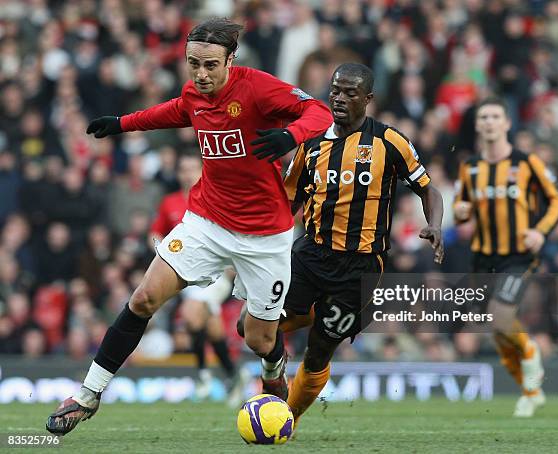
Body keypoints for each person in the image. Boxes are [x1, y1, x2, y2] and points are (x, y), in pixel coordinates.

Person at [46, 17, 332, 435]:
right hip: (207, 221)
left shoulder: (258, 87)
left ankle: (272, 367)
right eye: (193, 63)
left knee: (259, 340)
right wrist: (122, 123)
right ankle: (87, 395)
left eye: (211, 65)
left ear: (231, 60)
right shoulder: (194, 92)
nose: (201, 74)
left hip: (265, 235)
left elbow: (320, 112)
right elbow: (177, 111)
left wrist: (291, 136)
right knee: (143, 298)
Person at [238, 63, 445, 426]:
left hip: (360, 267)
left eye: (350, 93)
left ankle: (287, 419)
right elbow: (287, 201)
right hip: (309, 256)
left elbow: (428, 188)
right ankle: (300, 327)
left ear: (368, 99)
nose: (339, 98)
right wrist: (253, 242)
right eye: (335, 90)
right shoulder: (311, 142)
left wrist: (435, 226)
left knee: (319, 351)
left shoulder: (389, 141)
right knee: (249, 328)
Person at [453, 97, 558, 417]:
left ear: (506, 123)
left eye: (495, 116)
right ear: (477, 125)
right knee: (496, 327)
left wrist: (540, 231)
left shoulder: (527, 162)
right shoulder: (470, 167)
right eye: (483, 116)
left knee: (501, 317)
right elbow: (462, 211)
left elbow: (557, 199)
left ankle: (530, 353)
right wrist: (460, 213)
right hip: (483, 257)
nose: (489, 121)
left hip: (518, 254)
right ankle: (531, 391)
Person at [148, 154, 248, 406]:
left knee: (191, 313)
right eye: (182, 168)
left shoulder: (215, 196)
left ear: (203, 170)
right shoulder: (169, 202)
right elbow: (156, 232)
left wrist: (232, 263)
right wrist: (162, 253)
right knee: (210, 325)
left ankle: (203, 375)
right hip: (185, 271)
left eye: (192, 168)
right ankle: (234, 375)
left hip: (216, 272)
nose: (187, 173)